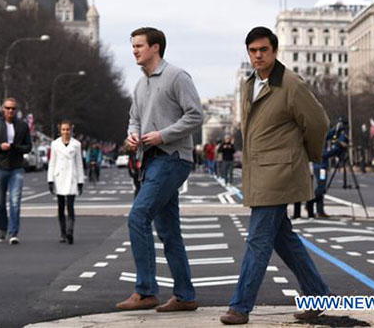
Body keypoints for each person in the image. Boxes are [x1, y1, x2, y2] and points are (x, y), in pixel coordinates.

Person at [220, 27, 331, 325]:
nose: (258, 55)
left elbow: (319, 121)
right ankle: (318, 292)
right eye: (253, 50)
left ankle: (240, 306)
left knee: (258, 239)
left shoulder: (291, 84)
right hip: (259, 171)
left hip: (279, 172)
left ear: (274, 51)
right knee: (283, 238)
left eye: (263, 50)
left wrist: (307, 154)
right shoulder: (248, 85)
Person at [117, 27, 203, 313]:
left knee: (138, 216)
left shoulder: (177, 76)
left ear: (156, 47)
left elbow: (196, 115)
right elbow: (134, 119)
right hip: (150, 160)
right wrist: (132, 136)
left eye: (139, 46)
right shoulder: (140, 85)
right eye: (133, 46)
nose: (135, 51)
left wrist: (162, 135)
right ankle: (185, 295)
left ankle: (145, 291)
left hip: (173, 157)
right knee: (168, 231)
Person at [0, 96, 32, 244]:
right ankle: (2, 230)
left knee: (15, 201)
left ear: (16, 110)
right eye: (7, 108)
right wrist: (0, 146)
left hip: (16, 167)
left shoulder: (23, 126)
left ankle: (13, 232)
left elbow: (28, 146)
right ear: (3, 110)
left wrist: (16, 148)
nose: (10, 111)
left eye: (13, 108)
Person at [47, 120, 84, 244]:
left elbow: (79, 163)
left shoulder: (77, 144)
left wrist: (80, 181)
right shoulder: (55, 144)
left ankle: (70, 231)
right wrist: (50, 180)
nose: (65, 132)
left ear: (71, 130)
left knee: (70, 206)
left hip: (71, 178)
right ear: (60, 130)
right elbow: (52, 163)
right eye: (63, 129)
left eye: (67, 129)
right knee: (61, 207)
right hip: (59, 178)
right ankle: (62, 233)